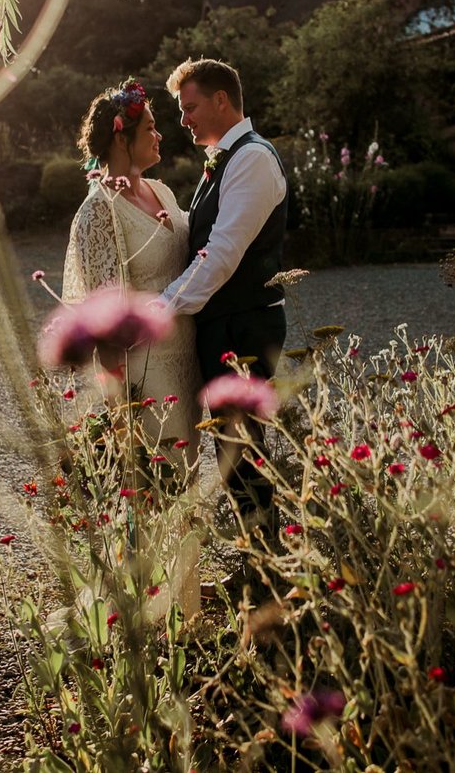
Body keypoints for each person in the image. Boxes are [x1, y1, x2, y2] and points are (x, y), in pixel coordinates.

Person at [159, 58, 290, 546]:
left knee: (242, 453)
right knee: (235, 451)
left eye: (189, 107)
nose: (183, 120)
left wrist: (160, 310)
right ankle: (262, 565)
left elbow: (223, 253)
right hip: (228, 321)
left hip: (244, 324)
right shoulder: (226, 157)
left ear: (221, 100)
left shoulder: (252, 158)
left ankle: (269, 573)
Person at [61, 79, 200, 465]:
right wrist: (120, 410)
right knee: (158, 488)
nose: (159, 135)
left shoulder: (163, 193)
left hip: (187, 363)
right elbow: (102, 317)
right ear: (122, 140)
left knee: (186, 486)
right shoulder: (98, 212)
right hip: (145, 373)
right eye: (150, 128)